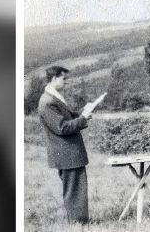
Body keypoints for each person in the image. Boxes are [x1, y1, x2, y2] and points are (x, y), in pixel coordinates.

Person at [38, 66, 97, 224]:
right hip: (67, 153)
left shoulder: (54, 98)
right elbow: (62, 127)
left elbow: (67, 119)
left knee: (77, 189)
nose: (66, 81)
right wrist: (83, 118)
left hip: (70, 153)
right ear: (53, 78)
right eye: (63, 78)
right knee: (74, 190)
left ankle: (80, 223)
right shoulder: (47, 102)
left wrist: (82, 113)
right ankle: (78, 224)